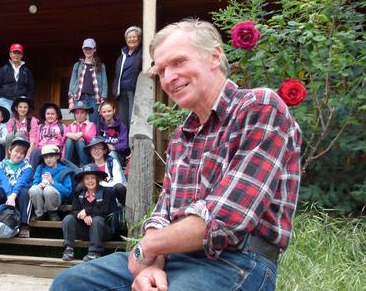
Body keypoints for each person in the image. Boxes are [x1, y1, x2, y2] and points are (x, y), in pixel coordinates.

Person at [50, 18, 302, 291]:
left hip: (237, 260)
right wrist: (152, 265)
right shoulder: (183, 135)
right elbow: (163, 211)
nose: (168, 77)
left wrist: (147, 247)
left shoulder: (260, 107)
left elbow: (226, 220)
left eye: (179, 62)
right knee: (69, 283)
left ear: (215, 56)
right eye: (162, 69)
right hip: (173, 257)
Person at [61, 163, 114, 262]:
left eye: (92, 178)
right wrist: (83, 217)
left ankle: (94, 252)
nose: (90, 181)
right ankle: (69, 249)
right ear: (83, 181)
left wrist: (87, 211)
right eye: (87, 178)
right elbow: (74, 211)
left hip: (102, 230)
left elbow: (104, 212)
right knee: (68, 219)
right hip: (85, 230)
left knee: (97, 220)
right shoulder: (80, 194)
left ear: (97, 179)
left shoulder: (106, 192)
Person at [0, 137, 34, 237]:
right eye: (16, 151)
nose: (18, 155)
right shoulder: (1, 165)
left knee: (25, 192)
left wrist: (13, 195)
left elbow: (21, 182)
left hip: (19, 194)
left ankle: (24, 225)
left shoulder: (27, 167)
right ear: (10, 151)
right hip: (6, 194)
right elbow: (3, 180)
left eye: (22, 153)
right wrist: (9, 195)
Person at [68, 38, 108, 124]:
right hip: (80, 98)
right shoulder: (77, 65)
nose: (88, 51)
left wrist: (103, 100)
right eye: (86, 48)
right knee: (79, 122)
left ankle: (95, 138)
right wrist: (71, 100)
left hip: (95, 99)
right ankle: (79, 138)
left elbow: (105, 84)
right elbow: (72, 82)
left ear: (94, 49)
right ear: (83, 50)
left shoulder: (101, 65)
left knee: (94, 123)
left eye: (90, 48)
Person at [29, 145, 72, 222]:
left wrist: (53, 182)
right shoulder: (40, 168)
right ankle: (39, 213)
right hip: (41, 198)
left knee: (48, 189)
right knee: (33, 189)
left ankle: (52, 213)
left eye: (51, 156)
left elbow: (68, 191)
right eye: (45, 157)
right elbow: (35, 182)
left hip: (56, 199)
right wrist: (39, 185)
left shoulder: (64, 170)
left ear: (57, 156)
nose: (48, 160)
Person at [112, 26, 143, 128]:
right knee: (124, 120)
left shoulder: (142, 53)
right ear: (126, 40)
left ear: (139, 39)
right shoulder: (122, 56)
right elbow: (117, 75)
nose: (132, 39)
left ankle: (132, 143)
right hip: (122, 92)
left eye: (134, 37)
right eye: (129, 37)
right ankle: (125, 143)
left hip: (134, 90)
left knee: (132, 119)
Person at [0, 43, 35, 116]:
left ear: (22, 55)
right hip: (5, 99)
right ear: (10, 54)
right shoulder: (3, 69)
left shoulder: (26, 71)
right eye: (14, 53)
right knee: (8, 116)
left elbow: (31, 88)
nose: (16, 55)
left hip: (20, 99)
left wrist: (27, 100)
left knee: (21, 120)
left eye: (19, 53)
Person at [85, 136, 126, 205]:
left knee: (120, 187)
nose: (96, 151)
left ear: (105, 151)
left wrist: (101, 185)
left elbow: (118, 182)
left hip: (112, 194)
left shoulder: (112, 162)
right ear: (90, 151)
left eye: (99, 148)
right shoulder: (89, 167)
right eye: (94, 148)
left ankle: (122, 209)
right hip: (96, 196)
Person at [28, 102, 66, 170]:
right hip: (43, 149)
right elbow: (37, 142)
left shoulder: (62, 126)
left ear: (57, 115)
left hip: (55, 149)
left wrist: (63, 155)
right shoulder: (40, 126)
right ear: (45, 115)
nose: (50, 116)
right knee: (35, 152)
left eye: (52, 114)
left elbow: (64, 143)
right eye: (48, 114)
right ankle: (30, 176)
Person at [64, 101, 97, 166]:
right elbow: (63, 138)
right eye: (77, 113)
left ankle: (83, 166)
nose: (79, 115)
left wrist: (82, 134)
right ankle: (67, 165)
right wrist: (71, 135)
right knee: (69, 140)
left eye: (82, 113)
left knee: (80, 140)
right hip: (72, 154)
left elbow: (92, 139)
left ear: (86, 113)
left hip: (85, 154)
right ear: (74, 114)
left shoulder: (91, 125)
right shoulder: (71, 125)